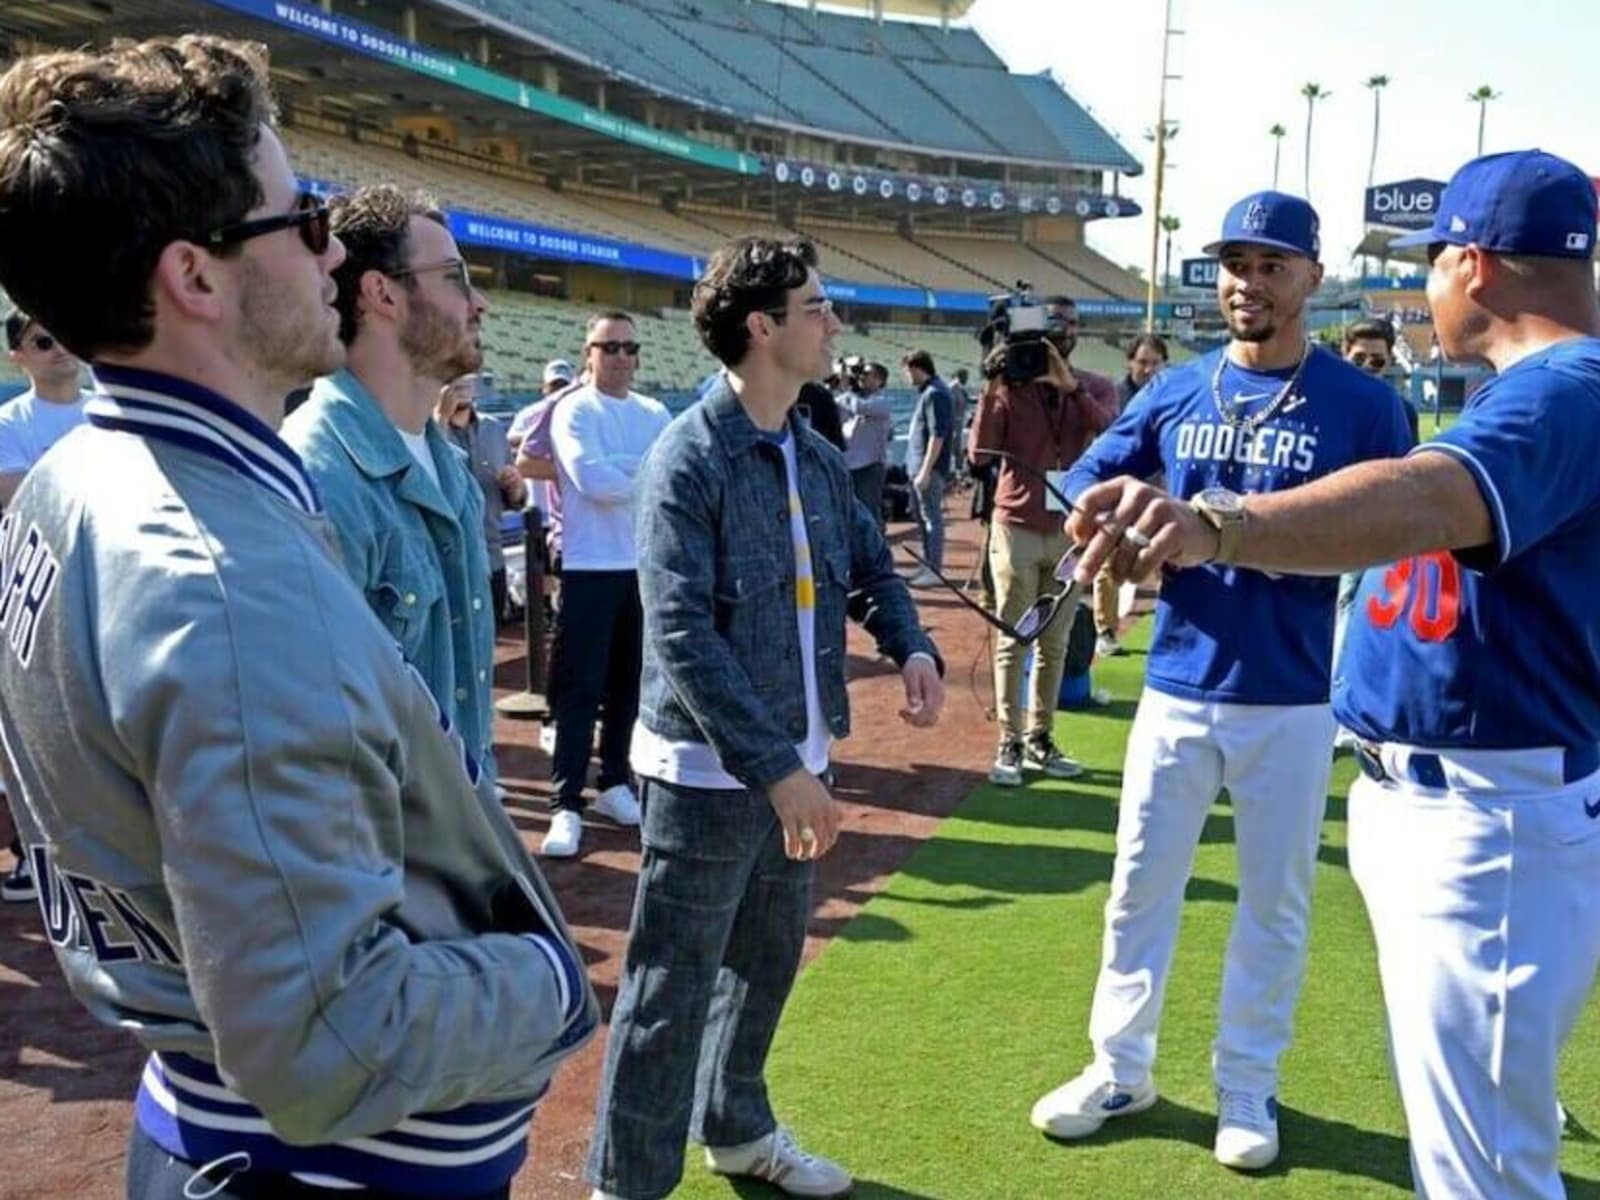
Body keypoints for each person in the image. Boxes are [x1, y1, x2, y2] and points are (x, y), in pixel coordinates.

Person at [0, 35, 594, 1199]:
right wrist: (548, 980)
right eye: (301, 217)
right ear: (198, 278)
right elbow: (333, 1039)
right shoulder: (223, 580)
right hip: (329, 1164)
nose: (329, 246)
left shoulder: (83, 475)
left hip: (207, 1113)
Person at [1068, 150, 1600, 1200]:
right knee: (1471, 1147)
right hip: (1449, 794)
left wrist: (1213, 525)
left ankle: (1243, 1087)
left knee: (1485, 1173)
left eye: (1435, 260)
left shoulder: (1564, 387)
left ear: (1474, 266)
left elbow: (1423, 499)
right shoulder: (1540, 389)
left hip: (1487, 815)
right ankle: (1118, 1064)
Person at [1031, 191, 1414, 1171]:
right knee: (1137, 890)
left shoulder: (1365, 405)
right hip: (1178, 681)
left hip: (1290, 694)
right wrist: (1100, 526)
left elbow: (1408, 531)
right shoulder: (1177, 389)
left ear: (1312, 280)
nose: (1248, 283)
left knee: (1273, 903)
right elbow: (1081, 483)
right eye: (1235, 264)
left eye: (1271, 265)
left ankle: (1247, 1085)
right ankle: (1119, 1066)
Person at [587, 236, 944, 1200]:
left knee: (765, 965)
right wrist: (779, 769)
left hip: (800, 762)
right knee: (670, 987)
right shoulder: (686, 457)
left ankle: (738, 1128)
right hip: (708, 775)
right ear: (762, 327)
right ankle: (625, 1186)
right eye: (817, 306)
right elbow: (680, 633)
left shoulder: (815, 457)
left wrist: (910, 643)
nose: (833, 323)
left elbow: (871, 567)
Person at [284, 185, 500, 779]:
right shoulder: (318, 480)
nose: (477, 301)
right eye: (455, 277)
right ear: (382, 293)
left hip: (460, 836)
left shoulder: (448, 466)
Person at [967, 301, 1116, 786]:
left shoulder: (1094, 384)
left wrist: (1069, 389)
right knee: (1013, 637)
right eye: (1052, 325)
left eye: (1069, 325)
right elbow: (979, 454)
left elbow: (1111, 435)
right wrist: (996, 382)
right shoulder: (1011, 386)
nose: (1060, 333)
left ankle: (1041, 737)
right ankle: (1008, 740)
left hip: (1071, 530)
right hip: (1016, 524)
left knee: (1054, 642)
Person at [541, 311, 670, 857]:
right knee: (580, 687)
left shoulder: (655, 411)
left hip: (641, 565)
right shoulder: (573, 409)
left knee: (629, 687)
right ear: (588, 352)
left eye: (627, 347)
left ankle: (614, 781)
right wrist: (639, 473)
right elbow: (591, 480)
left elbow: (668, 480)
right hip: (590, 566)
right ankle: (565, 802)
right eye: (608, 346)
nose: (619, 356)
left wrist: (627, 471)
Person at [1097, 333, 1170, 656]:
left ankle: (1170, 632)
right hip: (1120, 491)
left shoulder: (1172, 395)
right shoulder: (1114, 395)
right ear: (1130, 362)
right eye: (1143, 362)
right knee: (1108, 564)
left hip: (1159, 492)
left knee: (1167, 561)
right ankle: (1105, 630)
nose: (1149, 369)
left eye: (1155, 362)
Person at [439, 373, 528, 622]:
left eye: (465, 380)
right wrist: (440, 420)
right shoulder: (426, 431)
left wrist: (515, 486)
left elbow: (516, 500)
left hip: (492, 558)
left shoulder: (493, 429)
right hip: (448, 564)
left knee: (490, 645)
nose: (461, 387)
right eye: (453, 377)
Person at [0, 310, 88, 505]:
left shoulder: (114, 411)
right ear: (17, 358)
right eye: (44, 343)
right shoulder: (6, 425)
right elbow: (23, 505)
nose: (61, 349)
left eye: (65, 336)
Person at [901, 349, 953, 586]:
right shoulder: (931, 392)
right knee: (924, 518)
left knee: (931, 518)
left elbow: (937, 435)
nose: (906, 377)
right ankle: (929, 564)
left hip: (928, 468)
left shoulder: (934, 394)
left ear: (916, 368)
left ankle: (934, 570)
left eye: (907, 371)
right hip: (921, 466)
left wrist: (924, 470)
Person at [1344, 316, 1420, 439]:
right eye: (1358, 359)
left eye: (1377, 361)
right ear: (1345, 356)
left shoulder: (1403, 410)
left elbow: (1408, 456)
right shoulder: (1326, 403)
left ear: (1389, 361)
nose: (1366, 366)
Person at [839, 358, 894, 527]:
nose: (861, 376)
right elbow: (835, 406)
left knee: (869, 512)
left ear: (879, 380)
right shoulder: (855, 399)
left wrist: (847, 388)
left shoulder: (882, 402)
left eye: (867, 374)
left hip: (870, 466)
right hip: (850, 464)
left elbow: (860, 408)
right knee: (848, 512)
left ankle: (875, 550)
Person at [509, 357, 576, 451]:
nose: (560, 391)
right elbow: (511, 439)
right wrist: (540, 436)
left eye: (564, 386)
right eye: (555, 385)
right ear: (544, 388)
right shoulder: (530, 413)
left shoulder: (581, 413)